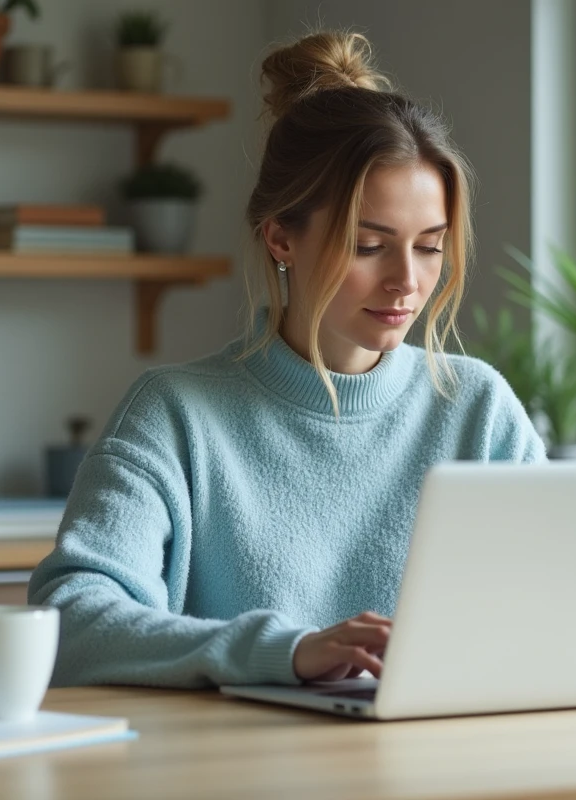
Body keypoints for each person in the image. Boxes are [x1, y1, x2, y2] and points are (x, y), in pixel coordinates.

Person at [27, 30, 546, 690]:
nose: (406, 282)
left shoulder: (479, 408)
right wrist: (287, 652)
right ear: (281, 237)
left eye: (429, 246)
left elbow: (559, 609)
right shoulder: (176, 414)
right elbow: (71, 621)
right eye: (368, 245)